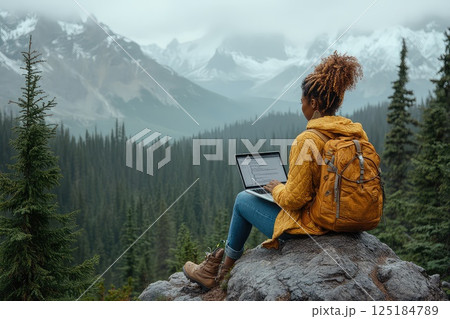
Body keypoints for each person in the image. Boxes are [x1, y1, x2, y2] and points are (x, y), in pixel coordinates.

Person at [183, 51, 366, 290]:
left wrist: (277, 188)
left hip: (314, 227)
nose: (301, 105)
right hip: (342, 219)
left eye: (302, 100)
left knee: (242, 200)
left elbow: (296, 199)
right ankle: (217, 268)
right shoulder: (352, 133)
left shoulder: (307, 139)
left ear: (314, 103)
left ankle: (218, 272)